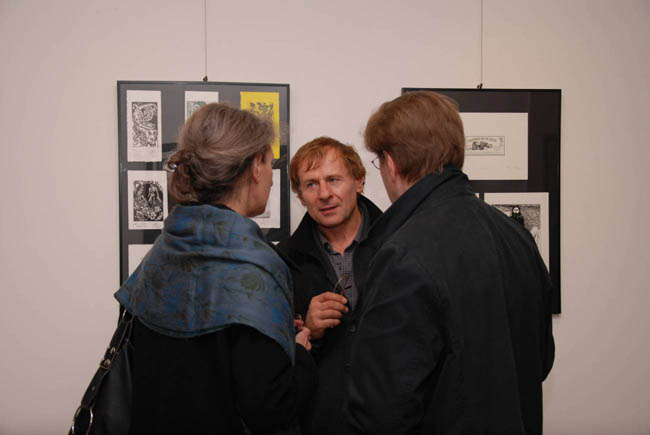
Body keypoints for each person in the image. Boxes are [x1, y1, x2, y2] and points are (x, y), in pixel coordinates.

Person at [344, 91, 555, 435]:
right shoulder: (516, 236)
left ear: (391, 163)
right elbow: (541, 361)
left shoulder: (402, 253)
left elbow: (381, 409)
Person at [114, 103, 316, 434]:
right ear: (255, 167)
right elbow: (271, 409)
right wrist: (301, 355)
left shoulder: (161, 253)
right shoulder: (256, 268)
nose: (270, 176)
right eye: (269, 162)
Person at [277, 137, 382, 435]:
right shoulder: (283, 260)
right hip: (318, 420)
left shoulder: (397, 246)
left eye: (334, 180)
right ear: (300, 196)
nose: (324, 194)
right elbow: (272, 364)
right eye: (311, 184)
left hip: (391, 417)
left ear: (359, 182)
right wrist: (308, 330)